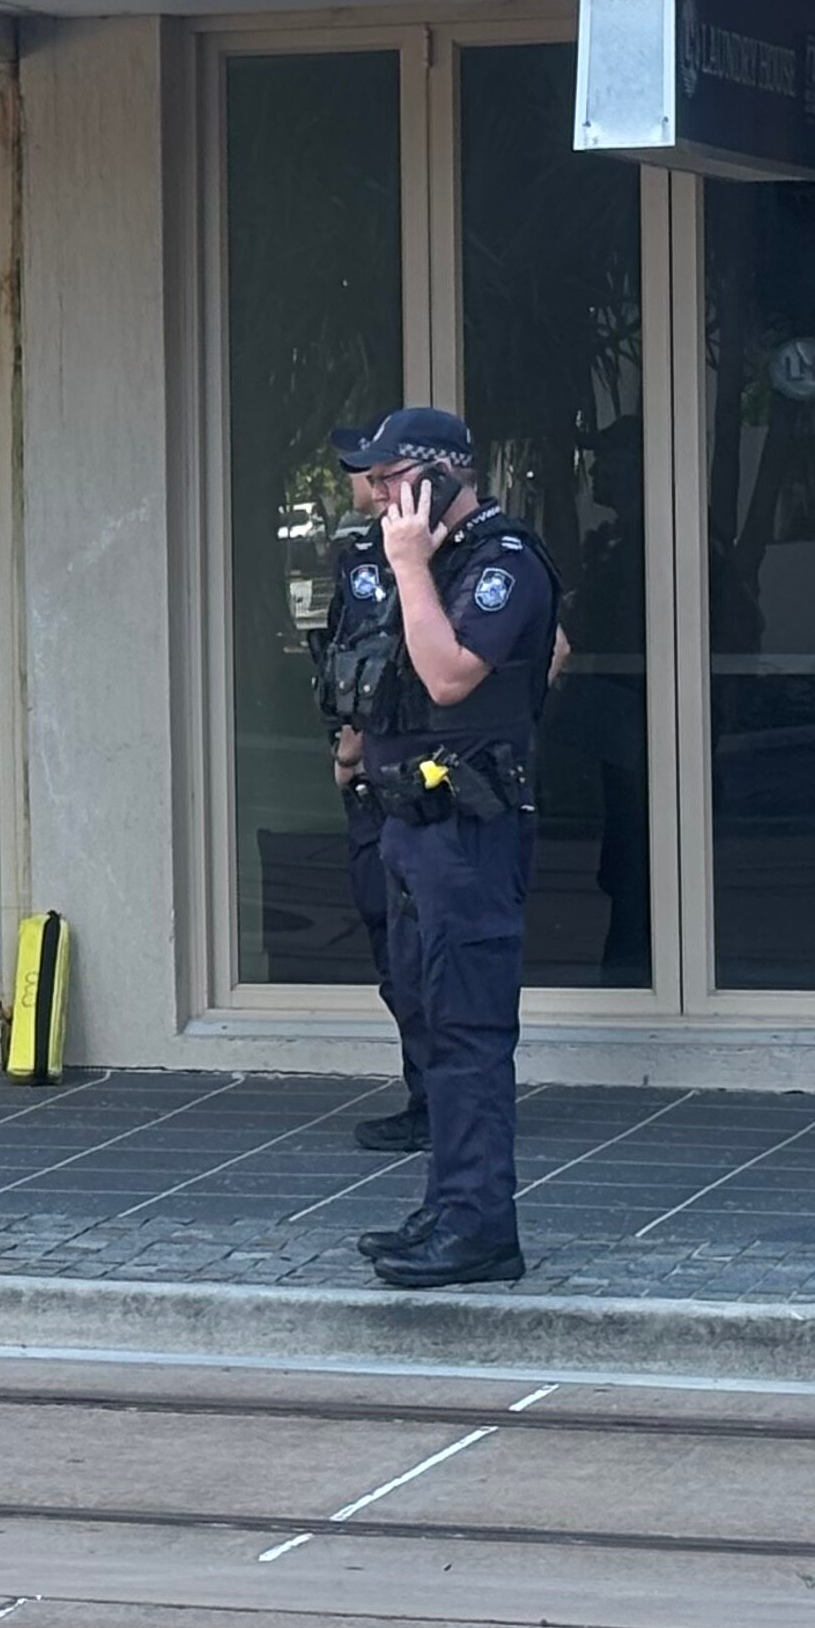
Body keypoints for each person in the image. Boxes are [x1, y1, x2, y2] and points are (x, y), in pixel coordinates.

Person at [340, 407, 562, 1288]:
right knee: (431, 1021)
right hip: (411, 826)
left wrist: (408, 565)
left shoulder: (501, 561)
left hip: (468, 833)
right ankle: (450, 1205)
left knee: (469, 1032)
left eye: (393, 480)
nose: (382, 499)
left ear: (436, 477)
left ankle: (480, 1229)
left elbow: (449, 675)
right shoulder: (439, 562)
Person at [309, 438, 430, 1155]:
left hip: (412, 779)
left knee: (423, 952)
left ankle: (444, 1102)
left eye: (378, 470)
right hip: (367, 781)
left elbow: (548, 648)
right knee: (392, 950)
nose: (365, 482)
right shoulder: (356, 555)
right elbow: (345, 657)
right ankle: (427, 1097)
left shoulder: (454, 552)